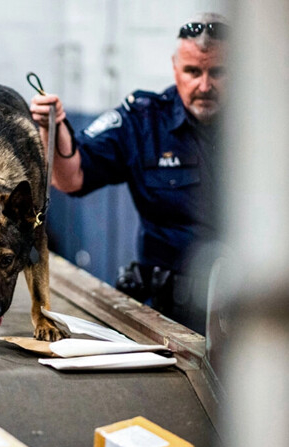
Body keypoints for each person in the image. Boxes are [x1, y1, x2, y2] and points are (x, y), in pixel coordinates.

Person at [29, 12, 228, 334]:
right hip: (170, 318)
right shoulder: (143, 120)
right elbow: (71, 178)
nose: (204, 86)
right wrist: (52, 126)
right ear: (175, 68)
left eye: (217, 72)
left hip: (250, 315)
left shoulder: (268, 123)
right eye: (193, 72)